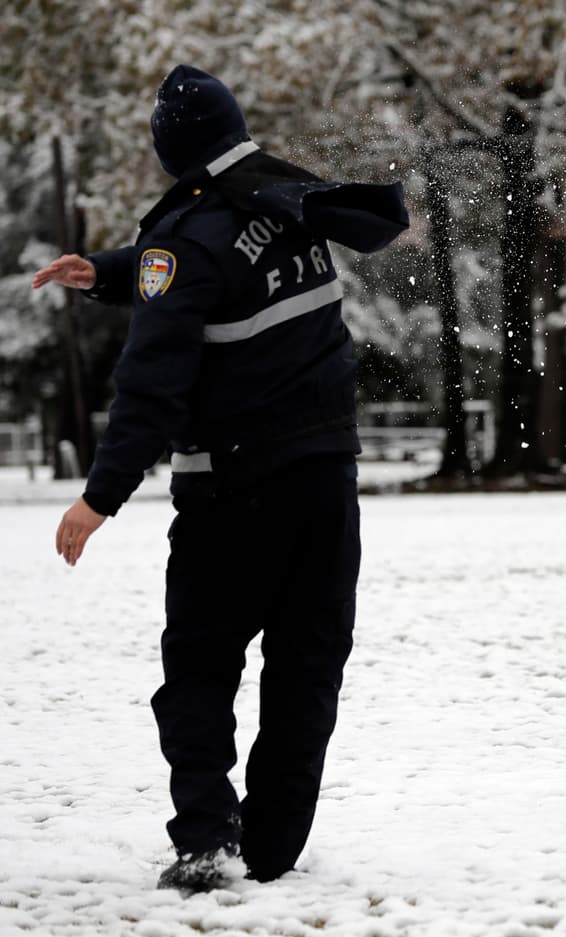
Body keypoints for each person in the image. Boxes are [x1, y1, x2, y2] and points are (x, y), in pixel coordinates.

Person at [31, 64, 409, 891]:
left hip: (231, 498)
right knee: (307, 668)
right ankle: (271, 849)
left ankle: (208, 841)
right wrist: (113, 271)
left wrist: (100, 496)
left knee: (200, 669)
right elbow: (210, 271)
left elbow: (153, 379)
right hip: (324, 485)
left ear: (174, 152)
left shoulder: (187, 239)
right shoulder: (290, 204)